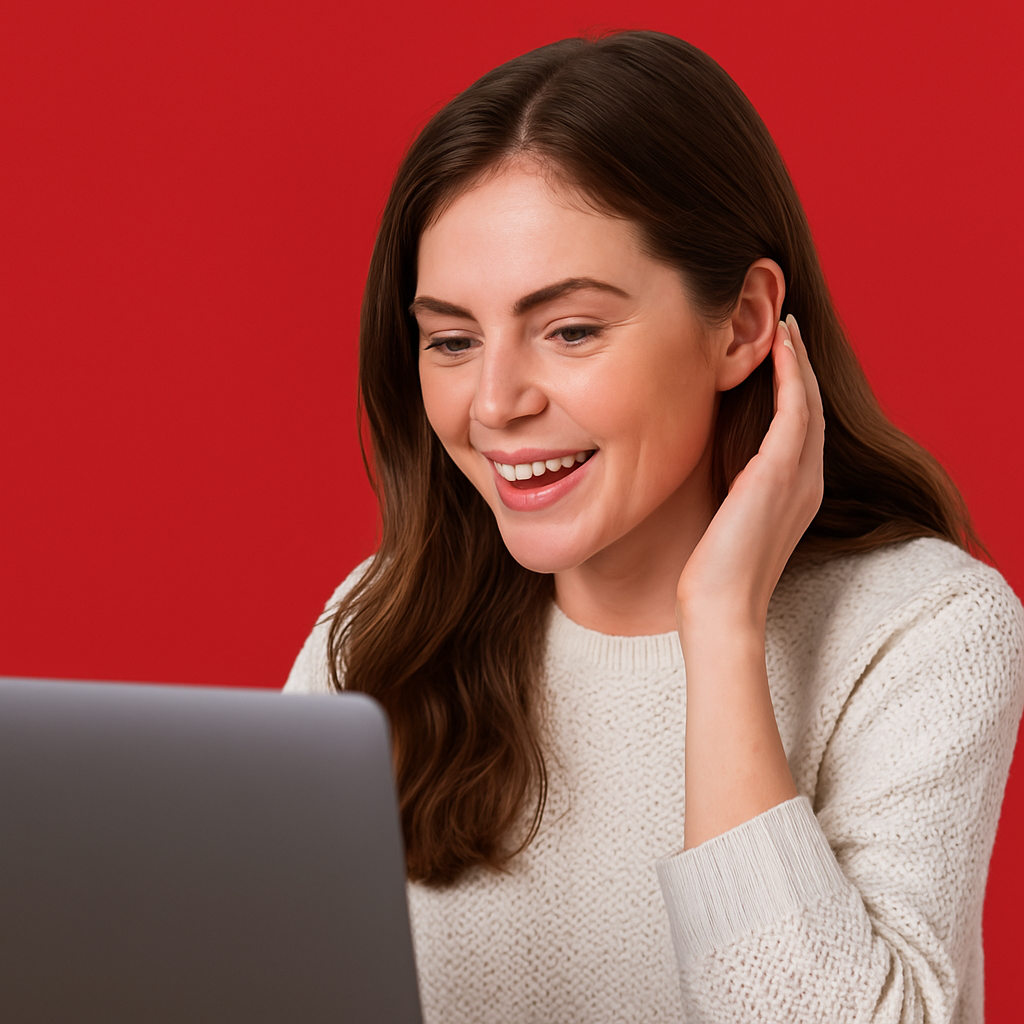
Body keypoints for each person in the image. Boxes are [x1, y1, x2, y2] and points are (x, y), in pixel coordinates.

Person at [284, 30, 1024, 1023]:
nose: (494, 402)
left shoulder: (924, 627)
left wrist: (721, 626)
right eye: (452, 340)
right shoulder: (375, 629)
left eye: (570, 330)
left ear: (742, 323)